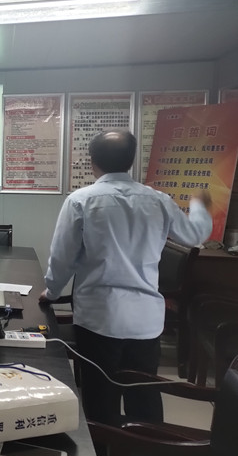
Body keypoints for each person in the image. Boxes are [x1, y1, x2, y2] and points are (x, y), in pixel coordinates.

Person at [39, 129, 213, 426]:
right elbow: (195, 235)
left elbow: (62, 258)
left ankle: (103, 447)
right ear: (131, 161)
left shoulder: (81, 200)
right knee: (144, 395)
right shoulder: (158, 200)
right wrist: (200, 205)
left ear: (92, 161)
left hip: (99, 318)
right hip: (145, 321)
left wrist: (51, 293)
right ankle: (144, 446)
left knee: (99, 399)